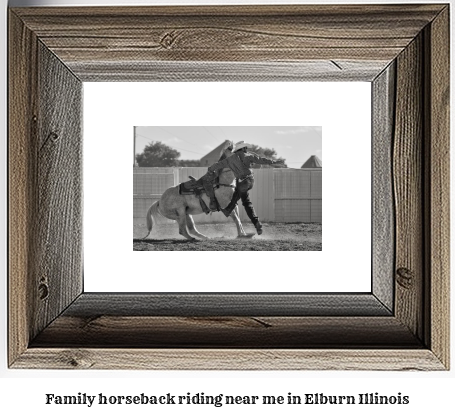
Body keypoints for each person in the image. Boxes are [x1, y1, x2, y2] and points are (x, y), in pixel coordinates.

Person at [204, 141, 283, 235]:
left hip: (242, 182)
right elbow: (261, 160)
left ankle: (228, 210)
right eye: (246, 148)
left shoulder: (229, 160)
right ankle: (256, 223)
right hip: (250, 181)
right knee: (242, 199)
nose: (247, 149)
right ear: (244, 148)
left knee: (243, 201)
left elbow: (218, 165)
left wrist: (210, 169)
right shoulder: (248, 156)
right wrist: (274, 162)